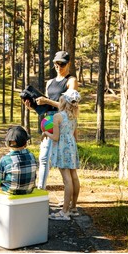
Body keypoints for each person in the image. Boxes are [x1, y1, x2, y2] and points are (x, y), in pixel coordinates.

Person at [24, 51, 79, 190]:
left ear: (68, 64)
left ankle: (70, 203)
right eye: (56, 63)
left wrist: (47, 100)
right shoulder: (50, 83)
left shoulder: (71, 81)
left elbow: (70, 105)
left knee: (66, 166)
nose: (59, 67)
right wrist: (33, 107)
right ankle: (40, 190)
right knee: (43, 158)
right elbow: (46, 106)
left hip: (63, 121)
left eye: (62, 64)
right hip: (49, 120)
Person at [42, 89, 81, 221]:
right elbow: (75, 137)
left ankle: (64, 212)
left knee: (67, 180)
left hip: (62, 149)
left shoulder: (57, 117)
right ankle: (74, 208)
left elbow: (56, 137)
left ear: (64, 101)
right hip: (71, 148)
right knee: (74, 176)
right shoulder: (74, 117)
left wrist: (45, 133)